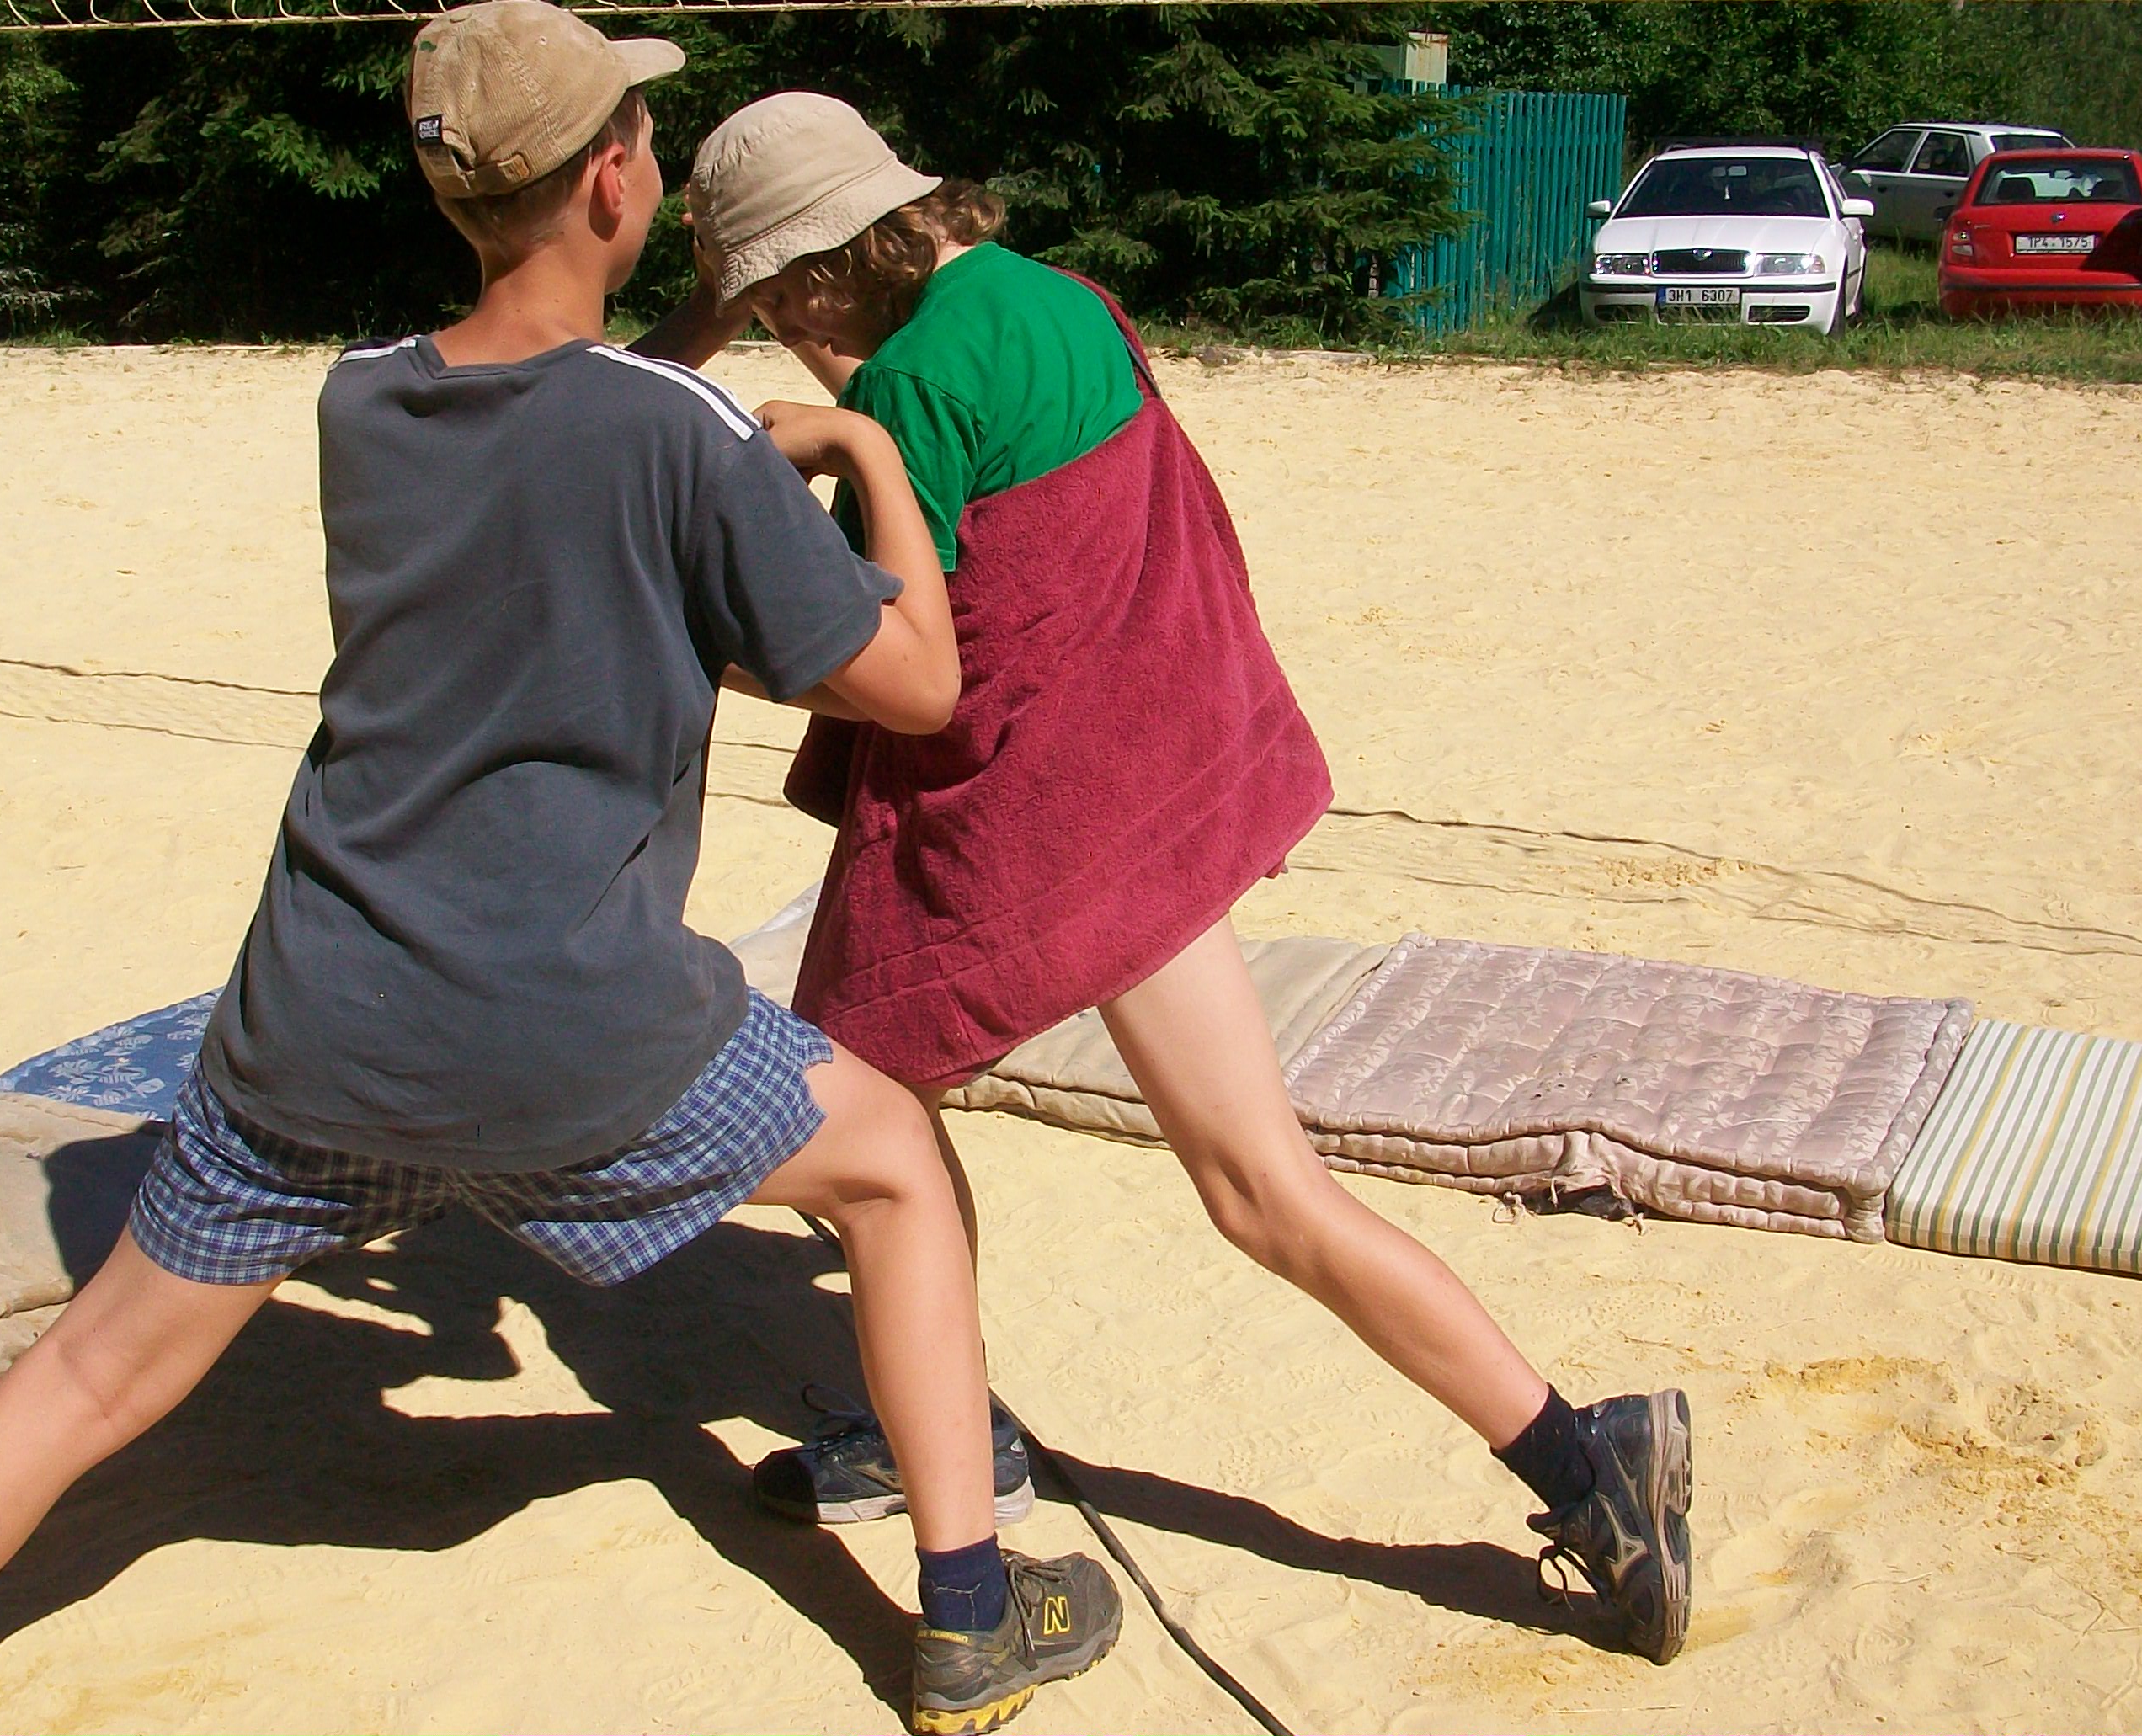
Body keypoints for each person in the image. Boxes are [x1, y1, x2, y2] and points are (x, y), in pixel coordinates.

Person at [0, 19, 1122, 1735]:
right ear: (615, 181)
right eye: (637, 134)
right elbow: (913, 684)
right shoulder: (689, 438)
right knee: (893, 1164)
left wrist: (696, 339)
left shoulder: (365, 396)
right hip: (577, 1032)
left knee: (91, 1370)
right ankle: (971, 1611)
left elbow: (565, 401)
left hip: (316, 1020)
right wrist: (871, 460)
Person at [637, 91, 1695, 1664]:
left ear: (820, 274)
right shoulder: (1063, 298)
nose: (780, 333)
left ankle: (952, 1436)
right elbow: (1066, 536)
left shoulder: (908, 390)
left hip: (1042, 824)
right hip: (1146, 779)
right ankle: (1580, 1458)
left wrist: (694, 624)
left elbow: (894, 665)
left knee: (876, 1128)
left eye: (778, 302)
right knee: (1261, 1187)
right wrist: (789, 354)